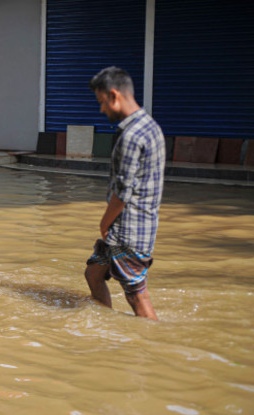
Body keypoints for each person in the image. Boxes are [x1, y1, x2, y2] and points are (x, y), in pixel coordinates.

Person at [84, 66, 165, 320]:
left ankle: (152, 344)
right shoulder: (150, 126)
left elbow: (122, 192)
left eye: (102, 103)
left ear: (114, 95)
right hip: (133, 227)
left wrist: (104, 222)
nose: (102, 110)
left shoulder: (131, 136)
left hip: (128, 231)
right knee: (93, 274)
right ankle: (106, 326)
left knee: (136, 296)